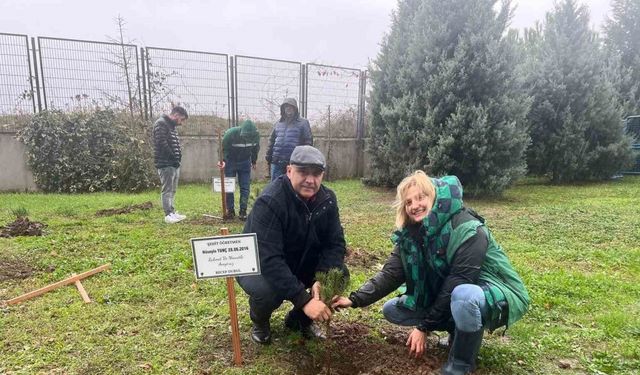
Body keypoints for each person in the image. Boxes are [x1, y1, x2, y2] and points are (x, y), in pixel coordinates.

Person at [332, 171, 529, 375]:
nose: (414, 205)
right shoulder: (411, 235)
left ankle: (461, 364)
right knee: (393, 309)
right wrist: (355, 299)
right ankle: (456, 330)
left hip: (494, 290)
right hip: (452, 293)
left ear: (434, 196)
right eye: (408, 202)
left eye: (420, 197)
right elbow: (390, 274)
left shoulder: (466, 227)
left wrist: (424, 327)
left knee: (463, 296)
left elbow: (459, 280)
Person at [237, 145, 348, 344]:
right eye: (303, 172)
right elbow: (268, 259)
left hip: (300, 260)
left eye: (316, 174)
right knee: (267, 292)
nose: (310, 180)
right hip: (259, 265)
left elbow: (335, 243)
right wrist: (303, 299)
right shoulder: (271, 201)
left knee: (338, 275)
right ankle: (260, 321)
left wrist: (321, 277)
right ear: (289, 171)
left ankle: (298, 321)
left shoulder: (328, 199)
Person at [216, 120, 260, 220]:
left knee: (245, 187)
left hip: (245, 162)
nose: (247, 138)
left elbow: (255, 149)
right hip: (230, 161)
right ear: (241, 131)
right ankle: (230, 211)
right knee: (229, 186)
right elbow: (222, 148)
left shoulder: (256, 136)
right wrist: (222, 160)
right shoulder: (231, 133)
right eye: (245, 136)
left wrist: (254, 161)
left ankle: (243, 211)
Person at [152, 106, 188, 224]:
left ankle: (172, 212)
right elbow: (161, 143)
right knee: (167, 190)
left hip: (173, 163)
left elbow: (173, 144)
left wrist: (177, 158)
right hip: (166, 163)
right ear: (176, 115)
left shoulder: (171, 126)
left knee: (172, 190)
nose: (181, 123)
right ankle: (167, 215)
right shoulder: (161, 123)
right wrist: (173, 157)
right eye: (181, 120)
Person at [265, 98, 313, 181]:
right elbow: (272, 141)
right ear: (283, 109)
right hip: (277, 161)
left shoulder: (303, 123)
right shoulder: (278, 123)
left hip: (293, 162)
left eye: (291, 106)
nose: (288, 108)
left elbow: (308, 142)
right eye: (286, 106)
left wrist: (302, 159)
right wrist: (269, 157)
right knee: (275, 187)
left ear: (295, 108)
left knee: (292, 187)